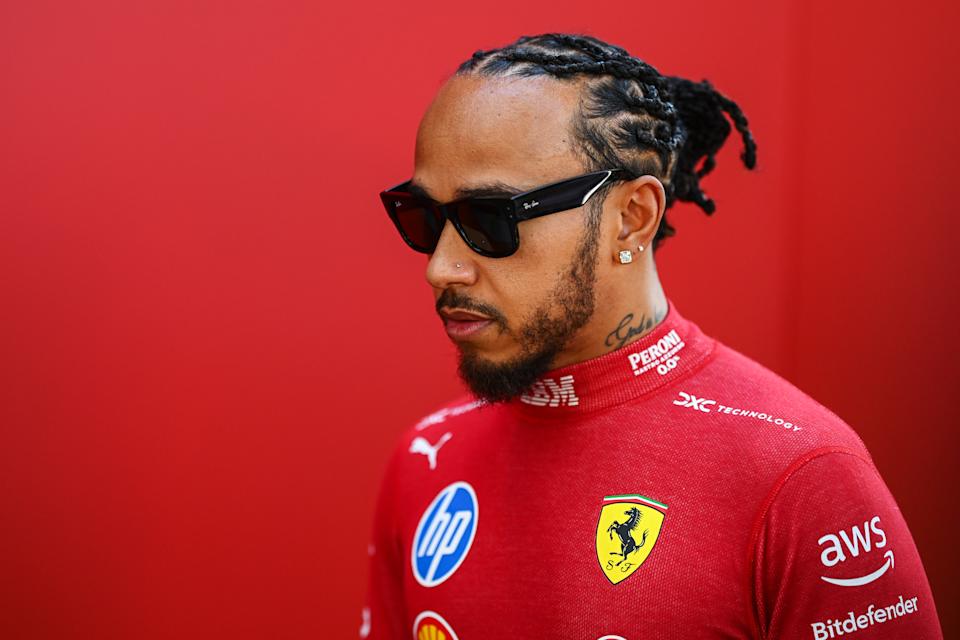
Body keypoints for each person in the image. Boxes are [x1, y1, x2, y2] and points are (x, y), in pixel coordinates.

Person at [362, 32, 943, 639]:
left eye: (490, 219)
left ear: (631, 217)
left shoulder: (802, 476)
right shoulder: (424, 460)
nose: (441, 266)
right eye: (422, 217)